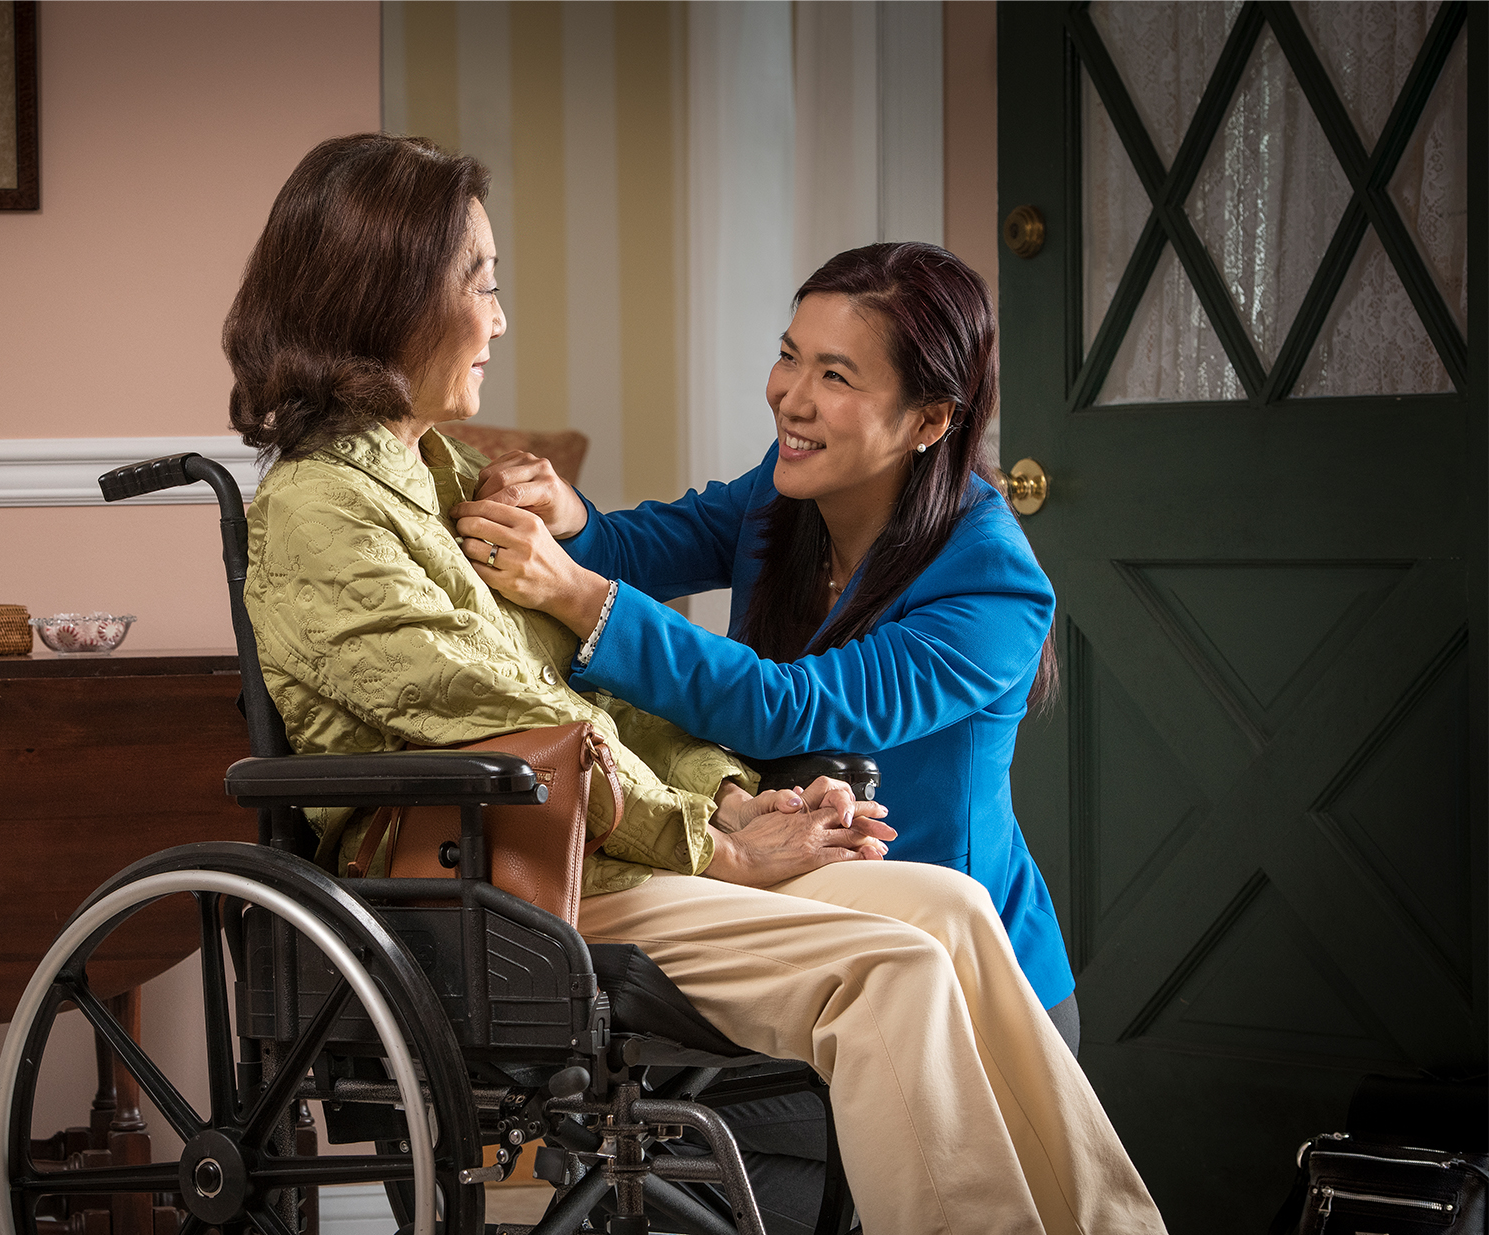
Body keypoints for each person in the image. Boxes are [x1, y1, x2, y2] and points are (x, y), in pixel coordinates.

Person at [227, 132, 1317, 1235]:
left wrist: (734, 805)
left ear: (926, 421)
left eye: (834, 374)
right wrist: (718, 814)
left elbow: (649, 685)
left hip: (600, 839)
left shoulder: (981, 571)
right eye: (481, 279)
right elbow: (521, 708)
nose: (500, 315)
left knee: (952, 908)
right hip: (506, 868)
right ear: (389, 292)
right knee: (896, 957)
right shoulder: (328, 507)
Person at [455, 241, 1082, 1048]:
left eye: (836, 376)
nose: (791, 398)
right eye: (790, 357)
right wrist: (569, 515)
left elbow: (790, 709)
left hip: (971, 980)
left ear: (930, 420)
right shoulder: (786, 490)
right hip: (821, 947)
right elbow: (640, 545)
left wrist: (578, 596)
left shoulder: (994, 586)